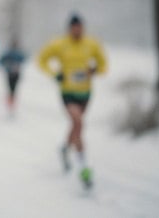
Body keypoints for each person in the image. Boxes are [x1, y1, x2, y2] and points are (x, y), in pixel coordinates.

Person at [37, 13, 107, 188]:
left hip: (85, 93)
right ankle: (84, 169)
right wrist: (55, 74)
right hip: (68, 92)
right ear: (69, 29)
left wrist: (95, 70)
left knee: (76, 126)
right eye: (74, 27)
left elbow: (104, 65)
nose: (77, 30)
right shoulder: (59, 44)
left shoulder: (91, 43)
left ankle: (65, 149)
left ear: (83, 27)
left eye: (80, 27)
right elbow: (41, 60)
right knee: (78, 123)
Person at [0, 39, 26, 114]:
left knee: (12, 90)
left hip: (15, 74)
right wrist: (8, 66)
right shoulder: (9, 53)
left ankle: (11, 105)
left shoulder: (14, 53)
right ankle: (10, 105)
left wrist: (10, 66)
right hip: (12, 74)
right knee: (12, 90)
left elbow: (24, 59)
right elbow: (0, 62)